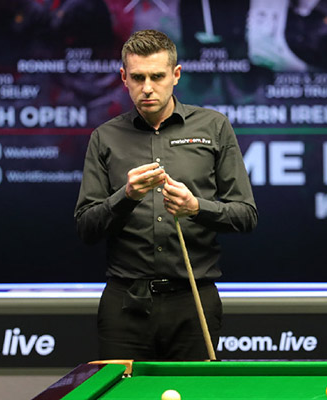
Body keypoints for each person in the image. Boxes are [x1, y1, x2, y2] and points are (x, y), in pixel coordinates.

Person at [74, 30, 258, 360]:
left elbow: (246, 216)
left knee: (195, 389)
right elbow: (86, 227)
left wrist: (196, 207)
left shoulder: (213, 127)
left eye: (157, 76)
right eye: (138, 77)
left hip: (194, 300)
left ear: (176, 75)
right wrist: (127, 196)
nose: (147, 88)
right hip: (125, 305)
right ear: (124, 78)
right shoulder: (105, 137)